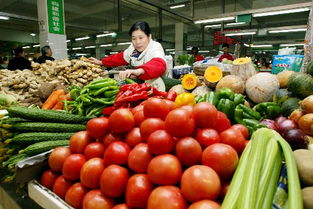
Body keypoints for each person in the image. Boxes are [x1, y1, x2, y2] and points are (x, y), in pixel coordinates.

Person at [88, 21, 167, 86]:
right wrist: (101, 62)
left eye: (141, 38)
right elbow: (119, 58)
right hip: (140, 85)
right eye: (134, 39)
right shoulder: (132, 49)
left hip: (157, 85)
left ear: (149, 36)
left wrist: (139, 71)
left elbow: (159, 64)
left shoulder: (155, 47)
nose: (137, 42)